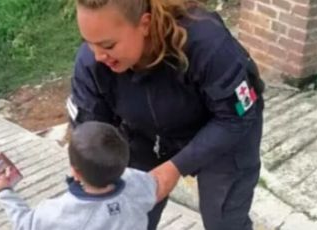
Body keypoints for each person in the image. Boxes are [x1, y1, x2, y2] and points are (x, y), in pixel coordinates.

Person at [68, 0, 265, 229]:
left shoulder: (209, 44)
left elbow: (236, 117)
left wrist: (174, 168)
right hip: (145, 133)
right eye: (89, 43)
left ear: (145, 24)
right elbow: (91, 133)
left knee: (223, 221)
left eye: (108, 45)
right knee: (127, 216)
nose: (98, 55)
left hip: (224, 128)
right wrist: (88, 169)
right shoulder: (92, 62)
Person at [0, 121, 165, 230]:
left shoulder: (60, 212)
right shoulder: (140, 181)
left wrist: (5, 191)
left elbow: (25, 224)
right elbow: (153, 188)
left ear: (75, 171)